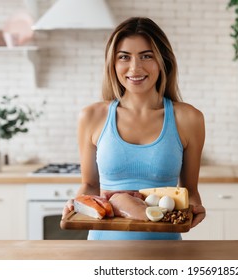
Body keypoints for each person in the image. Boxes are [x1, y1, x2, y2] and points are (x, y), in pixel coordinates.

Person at [63, 17, 206, 240]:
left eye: (146, 56)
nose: (135, 68)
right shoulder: (92, 116)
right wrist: (77, 203)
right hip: (102, 251)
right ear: (113, 63)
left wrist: (195, 208)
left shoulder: (189, 118)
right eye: (124, 57)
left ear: (163, 61)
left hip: (165, 252)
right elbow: (90, 185)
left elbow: (190, 191)